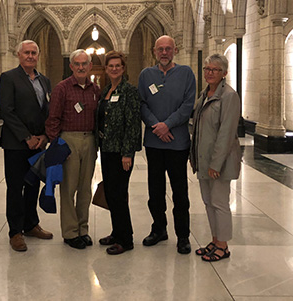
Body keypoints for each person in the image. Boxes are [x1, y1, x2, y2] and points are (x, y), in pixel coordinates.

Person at [138, 35, 196, 254]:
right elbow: (142, 104)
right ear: (154, 51)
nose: (164, 52)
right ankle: (159, 229)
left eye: (168, 49)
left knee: (180, 191)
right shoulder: (146, 75)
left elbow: (187, 104)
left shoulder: (186, 74)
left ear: (175, 50)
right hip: (154, 143)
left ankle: (183, 235)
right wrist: (156, 126)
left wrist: (167, 125)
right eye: (160, 49)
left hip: (177, 143)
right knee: (155, 190)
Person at [0, 40, 54, 252]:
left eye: (34, 53)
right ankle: (15, 232)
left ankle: (31, 224)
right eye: (27, 53)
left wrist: (44, 136)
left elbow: (47, 112)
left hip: (39, 144)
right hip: (16, 144)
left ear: (38, 56)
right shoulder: (9, 78)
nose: (30, 56)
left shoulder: (45, 81)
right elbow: (7, 110)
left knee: (33, 185)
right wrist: (26, 137)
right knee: (15, 188)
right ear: (19, 55)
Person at [45, 49, 101, 250]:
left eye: (84, 64)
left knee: (85, 188)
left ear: (90, 66)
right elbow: (53, 118)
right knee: (69, 189)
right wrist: (57, 144)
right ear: (71, 66)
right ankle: (70, 232)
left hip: (90, 140)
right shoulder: (62, 88)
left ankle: (83, 229)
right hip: (68, 139)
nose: (80, 67)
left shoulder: (95, 89)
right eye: (76, 64)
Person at [190, 53, 241, 262]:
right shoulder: (204, 95)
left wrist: (215, 164)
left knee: (220, 203)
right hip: (203, 159)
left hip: (218, 162)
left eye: (215, 70)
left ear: (224, 73)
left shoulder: (229, 96)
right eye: (207, 69)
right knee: (208, 202)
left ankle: (223, 245)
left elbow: (226, 133)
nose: (210, 73)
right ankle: (214, 240)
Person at [96, 51, 141, 255]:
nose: (114, 69)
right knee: (111, 195)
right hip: (106, 150)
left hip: (120, 153)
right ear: (106, 68)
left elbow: (132, 124)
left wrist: (127, 153)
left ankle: (126, 239)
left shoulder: (129, 91)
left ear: (123, 68)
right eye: (110, 66)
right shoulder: (106, 90)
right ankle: (117, 232)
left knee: (119, 195)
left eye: (118, 66)